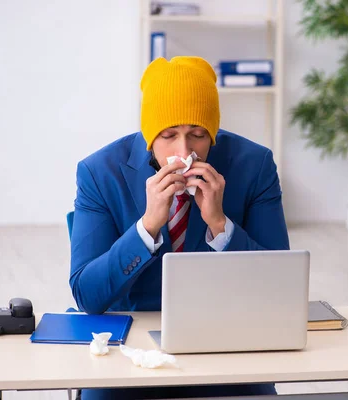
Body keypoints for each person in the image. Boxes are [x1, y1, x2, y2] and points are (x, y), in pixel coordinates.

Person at [69, 56, 289, 400]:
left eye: (198, 135)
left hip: (228, 339)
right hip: (131, 351)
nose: (184, 151)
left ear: (213, 135)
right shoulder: (99, 172)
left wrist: (219, 224)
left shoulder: (254, 165)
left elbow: (280, 285)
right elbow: (88, 295)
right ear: (148, 135)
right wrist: (147, 226)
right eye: (168, 135)